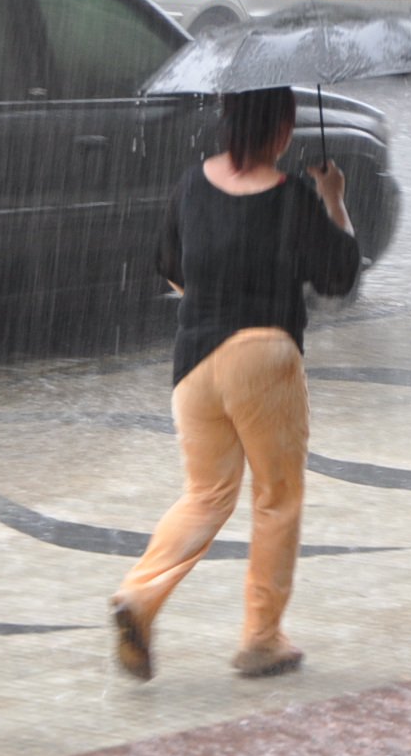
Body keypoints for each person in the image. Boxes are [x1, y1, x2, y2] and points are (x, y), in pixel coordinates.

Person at [110, 87, 360, 682]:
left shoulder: (191, 185)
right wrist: (333, 197)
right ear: (282, 130)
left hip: (194, 363)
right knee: (276, 497)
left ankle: (138, 596)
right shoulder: (292, 196)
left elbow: (173, 271)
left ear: (229, 122)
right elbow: (340, 276)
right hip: (262, 356)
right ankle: (261, 639)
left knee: (205, 495)